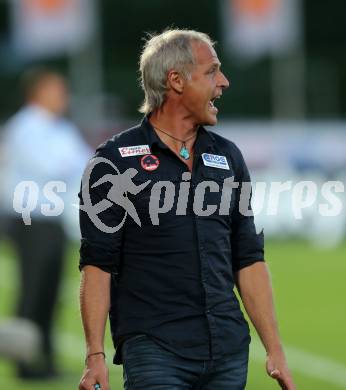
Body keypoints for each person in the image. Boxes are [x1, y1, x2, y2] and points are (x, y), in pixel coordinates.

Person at [78, 29, 295, 390]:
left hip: (227, 350)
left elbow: (249, 258)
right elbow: (97, 264)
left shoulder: (228, 157)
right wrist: (95, 355)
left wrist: (275, 349)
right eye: (212, 72)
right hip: (155, 350)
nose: (223, 82)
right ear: (176, 80)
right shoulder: (113, 162)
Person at [1, 68, 91, 379]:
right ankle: (24, 363)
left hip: (53, 221)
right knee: (33, 291)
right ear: (38, 92)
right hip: (29, 220)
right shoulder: (25, 127)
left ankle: (45, 360)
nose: (63, 96)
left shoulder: (60, 128)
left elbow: (86, 164)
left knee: (51, 292)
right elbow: (55, 166)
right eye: (56, 90)